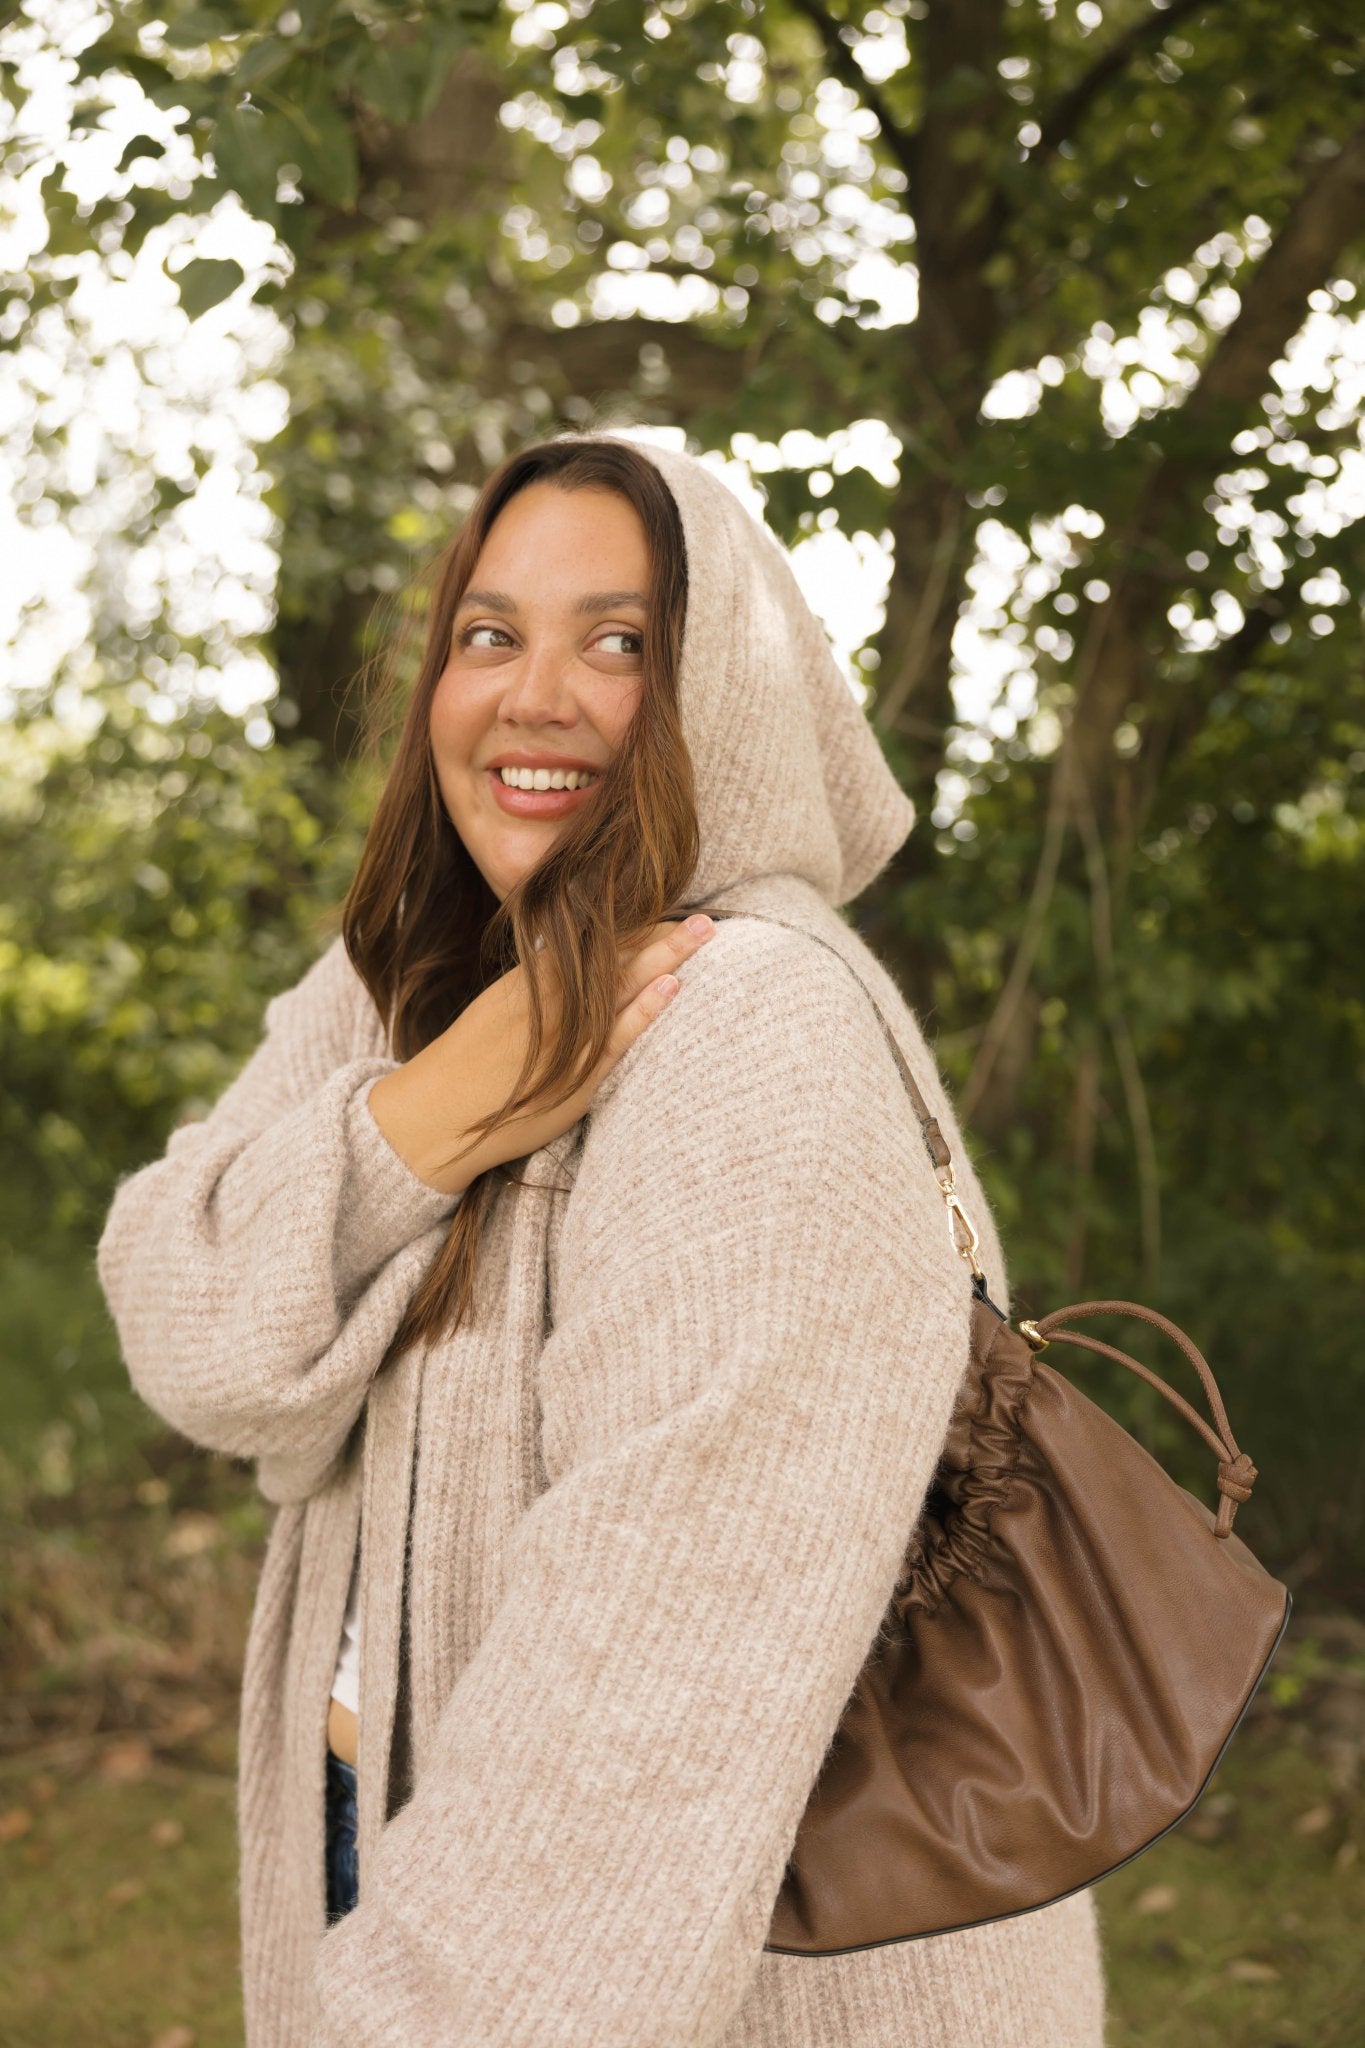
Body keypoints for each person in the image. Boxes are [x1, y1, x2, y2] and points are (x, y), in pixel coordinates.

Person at [95, 430, 1106, 2046]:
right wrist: (415, 1122)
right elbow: (190, 1320)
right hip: (408, 1865)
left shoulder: (747, 1033)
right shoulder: (416, 984)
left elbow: (645, 1712)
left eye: (617, 642)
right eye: (488, 634)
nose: (532, 693)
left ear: (727, 695)